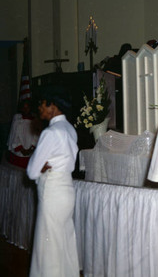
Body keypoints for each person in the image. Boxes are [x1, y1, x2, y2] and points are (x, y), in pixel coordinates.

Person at [26, 86, 79, 276]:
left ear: (53, 105)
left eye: (42, 104)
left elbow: (32, 172)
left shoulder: (50, 133)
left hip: (51, 192)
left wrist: (39, 166)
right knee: (64, 241)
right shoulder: (70, 129)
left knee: (48, 245)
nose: (39, 108)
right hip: (67, 191)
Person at [7, 100, 39, 168]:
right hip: (18, 152)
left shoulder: (35, 120)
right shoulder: (17, 119)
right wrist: (21, 149)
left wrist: (31, 149)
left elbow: (36, 136)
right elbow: (14, 135)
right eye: (24, 108)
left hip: (30, 152)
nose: (25, 110)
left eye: (27, 107)